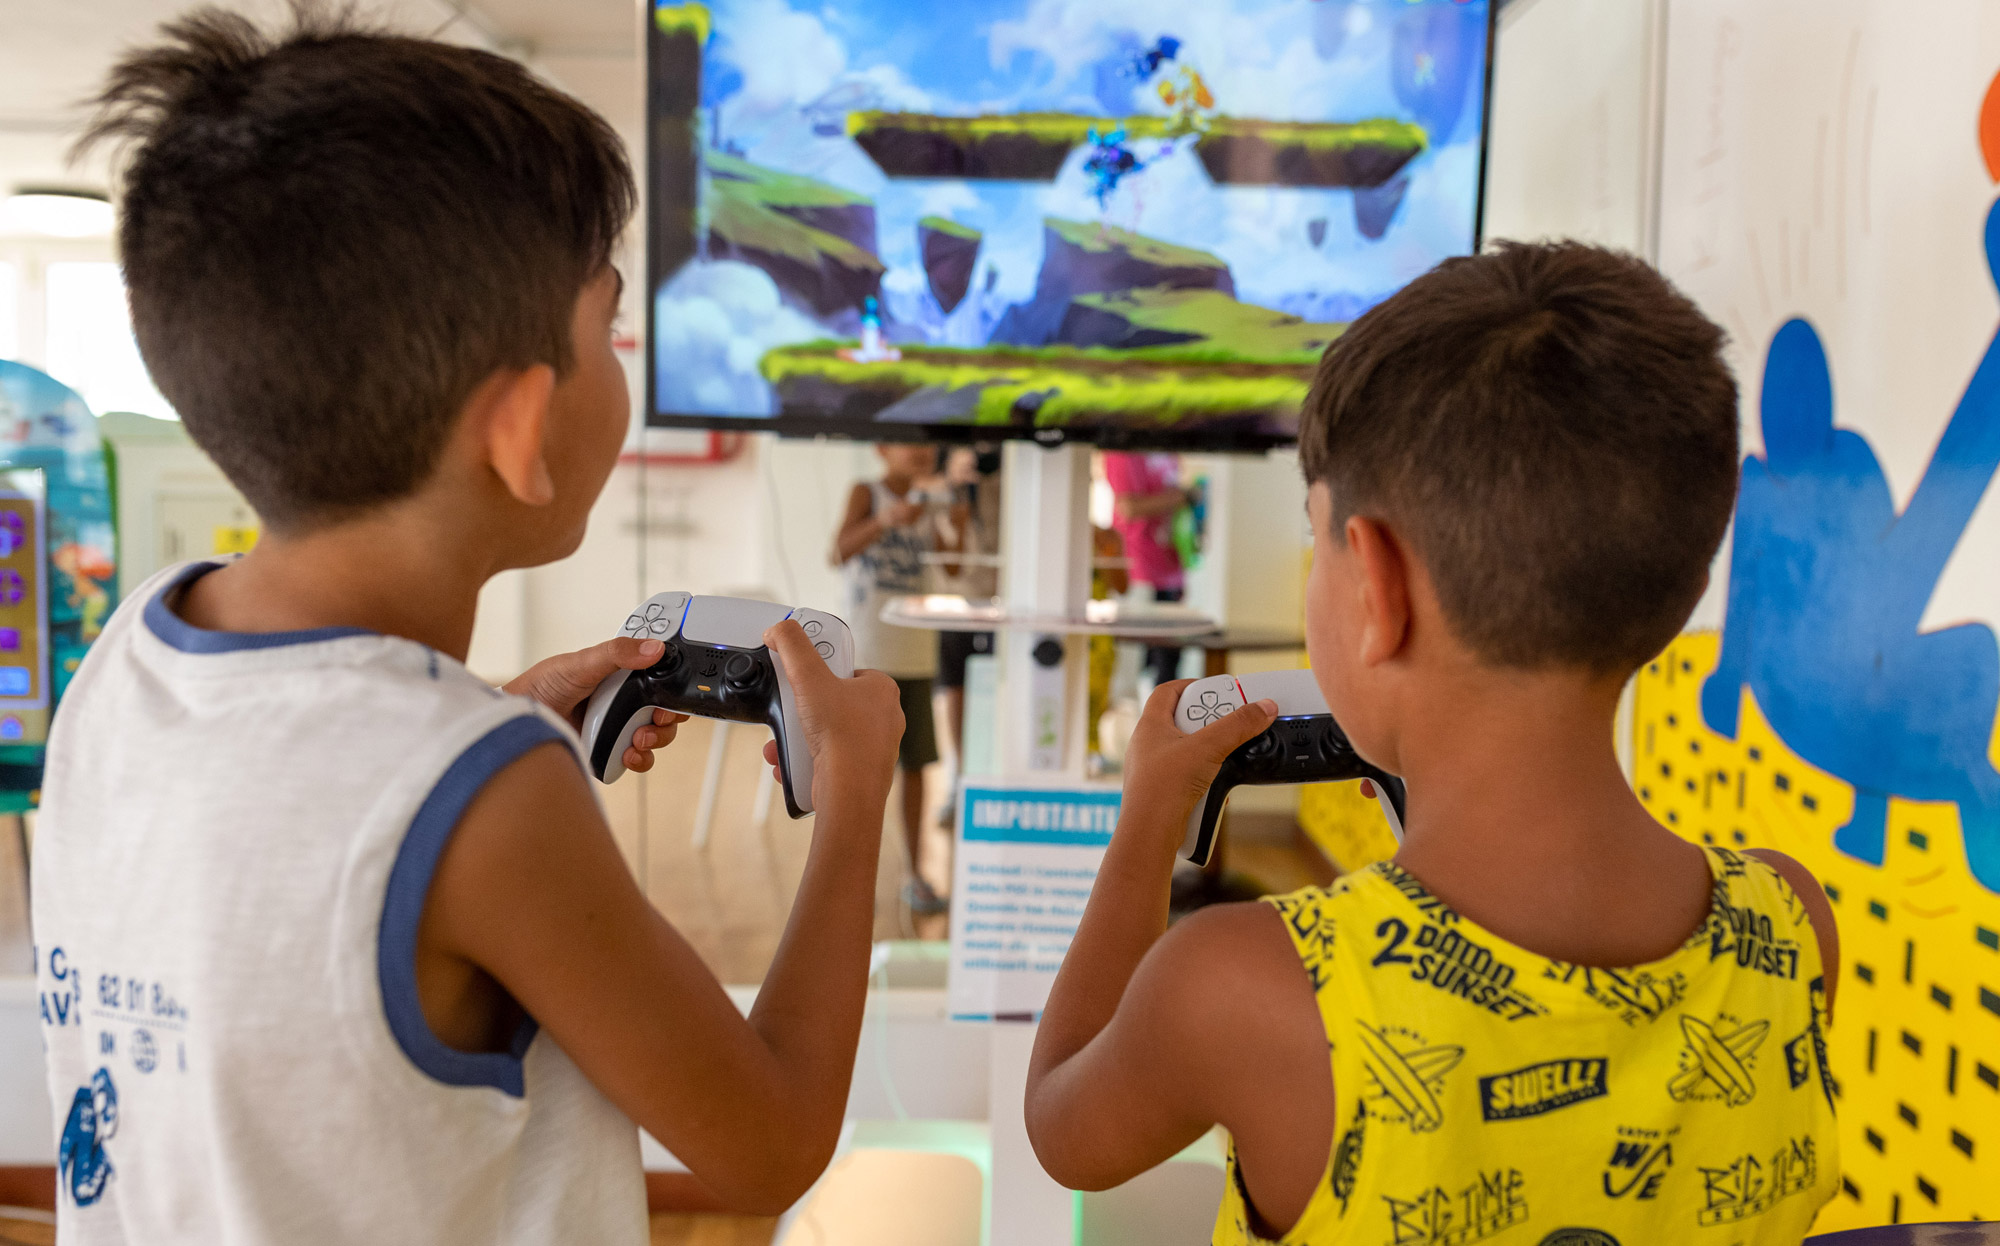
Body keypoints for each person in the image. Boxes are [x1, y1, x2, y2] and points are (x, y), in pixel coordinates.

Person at [32, 10, 904, 1243]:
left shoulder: (128, 653)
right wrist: (856, 794)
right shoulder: (494, 791)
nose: (623, 363)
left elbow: (291, 851)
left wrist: (476, 726)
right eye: (609, 329)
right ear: (520, 428)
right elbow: (767, 1147)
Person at [1024, 242, 1842, 1244]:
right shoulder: (1791, 925)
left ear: (1377, 586)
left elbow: (1063, 1126)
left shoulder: (1243, 988)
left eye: (1317, 533)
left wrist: (1148, 817)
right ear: (1677, 590)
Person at [833, 444, 965, 919]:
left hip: (916, 654)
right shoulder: (866, 492)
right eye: (909, 442)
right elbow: (838, 551)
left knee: (916, 769)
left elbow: (953, 568)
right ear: (882, 449)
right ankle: (846, 877)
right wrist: (885, 521)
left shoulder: (937, 501)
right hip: (868, 655)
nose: (922, 451)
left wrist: (955, 521)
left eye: (928, 443)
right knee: (858, 770)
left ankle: (914, 872)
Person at [934, 445, 1001, 830]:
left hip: (1000, 606)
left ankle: (988, 781)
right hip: (956, 604)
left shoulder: (1004, 483)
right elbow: (951, 564)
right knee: (955, 692)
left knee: (995, 694)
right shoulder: (945, 492)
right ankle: (958, 781)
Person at [1102, 451, 1193, 688]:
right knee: (1133, 670)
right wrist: (1178, 497)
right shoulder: (1122, 453)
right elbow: (1127, 507)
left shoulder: (1169, 452)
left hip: (1171, 569)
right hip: (1138, 571)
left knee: (1169, 666)